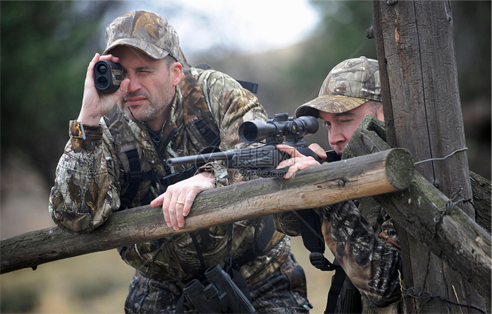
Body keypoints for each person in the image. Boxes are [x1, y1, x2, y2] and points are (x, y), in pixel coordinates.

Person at [49, 10, 311, 314]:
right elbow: (76, 217)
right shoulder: (104, 129)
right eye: (122, 73)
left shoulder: (214, 92)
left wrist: (209, 178)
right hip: (164, 287)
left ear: (175, 73)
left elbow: (264, 152)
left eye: (144, 71)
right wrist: (88, 119)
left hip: (256, 270)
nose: (130, 86)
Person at [274, 57, 402, 313]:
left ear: (386, 113)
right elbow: (288, 225)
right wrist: (295, 176)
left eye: (345, 120)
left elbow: (385, 285)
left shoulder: (413, 173)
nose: (334, 138)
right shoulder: (350, 169)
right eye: (328, 124)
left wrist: (327, 191)